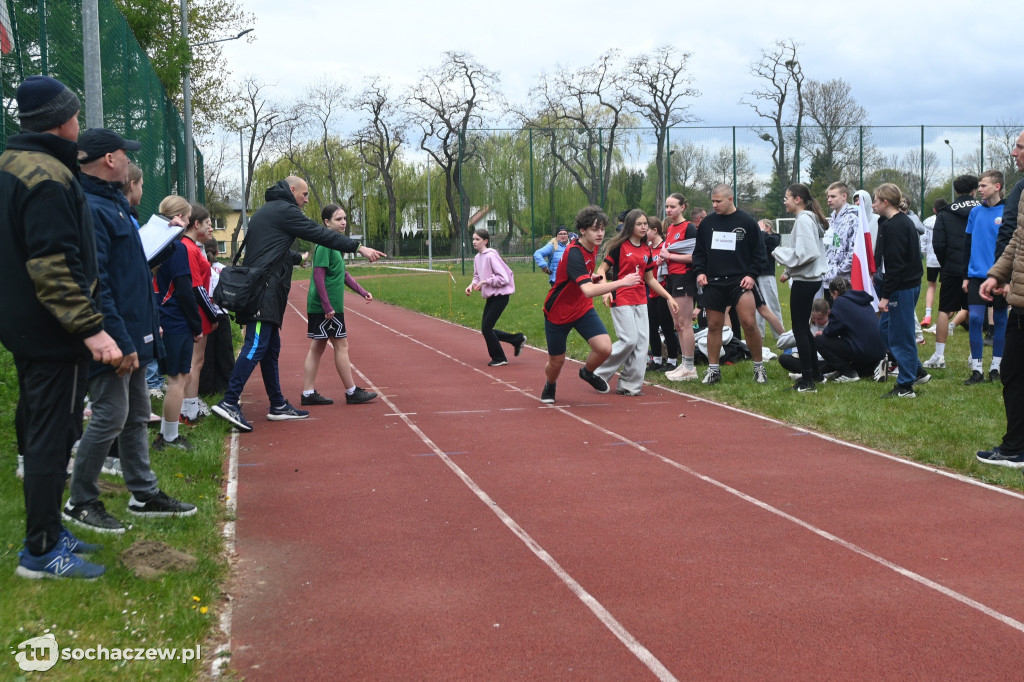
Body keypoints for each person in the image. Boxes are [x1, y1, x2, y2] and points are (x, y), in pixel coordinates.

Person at [0, 76, 122, 579]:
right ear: (62, 121)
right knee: (53, 437)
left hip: (24, 326)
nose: (77, 121)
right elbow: (53, 265)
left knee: (41, 430)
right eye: (73, 113)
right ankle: (42, 550)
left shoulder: (11, 163)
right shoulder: (47, 176)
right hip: (53, 333)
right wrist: (92, 329)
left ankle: (49, 529)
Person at [64, 128, 196, 537]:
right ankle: (80, 500)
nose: (129, 161)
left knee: (137, 414)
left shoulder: (115, 204)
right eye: (125, 154)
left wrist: (145, 326)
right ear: (109, 160)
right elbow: (98, 282)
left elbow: (135, 269)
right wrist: (119, 339)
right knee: (110, 415)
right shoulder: (92, 208)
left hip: (134, 331)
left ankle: (143, 493)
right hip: (113, 337)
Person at [212, 176, 386, 433]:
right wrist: (358, 247)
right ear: (292, 190)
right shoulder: (285, 210)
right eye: (304, 194)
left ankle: (277, 404)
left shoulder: (269, 210)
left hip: (267, 289)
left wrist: (296, 257)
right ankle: (229, 402)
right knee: (256, 344)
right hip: (263, 291)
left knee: (270, 349)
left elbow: (271, 248)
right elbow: (319, 233)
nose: (306, 200)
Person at [539, 206, 641, 404]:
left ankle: (587, 372)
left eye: (602, 229)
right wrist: (622, 282)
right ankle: (550, 384)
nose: (600, 233)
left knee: (605, 348)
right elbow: (588, 290)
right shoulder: (574, 253)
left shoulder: (592, 246)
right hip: (558, 312)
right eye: (595, 229)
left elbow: (581, 278)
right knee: (556, 362)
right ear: (583, 230)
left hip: (581, 308)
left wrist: (589, 276)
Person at [301, 204, 380, 404]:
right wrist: (327, 306)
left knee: (318, 347)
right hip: (326, 307)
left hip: (329, 306)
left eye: (344, 218)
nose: (343, 222)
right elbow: (318, 276)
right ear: (327, 223)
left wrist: (362, 291)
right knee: (341, 345)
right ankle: (351, 391)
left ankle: (308, 393)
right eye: (338, 219)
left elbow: (342, 274)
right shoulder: (325, 245)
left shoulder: (335, 245)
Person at [594, 209, 678, 395]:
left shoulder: (647, 249)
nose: (643, 227)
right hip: (621, 297)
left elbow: (650, 279)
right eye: (639, 224)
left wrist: (669, 297)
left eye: (645, 224)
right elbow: (601, 270)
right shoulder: (619, 247)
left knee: (641, 344)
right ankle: (597, 372)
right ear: (630, 226)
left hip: (641, 299)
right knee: (629, 340)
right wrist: (605, 291)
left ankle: (629, 385)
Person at [691, 184, 769, 385]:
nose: (714, 205)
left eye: (718, 201)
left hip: (740, 281)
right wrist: (700, 272)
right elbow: (699, 253)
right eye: (712, 201)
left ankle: (759, 367)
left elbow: (760, 253)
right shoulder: (707, 223)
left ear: (730, 199)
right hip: (714, 282)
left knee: (749, 323)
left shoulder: (747, 222)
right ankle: (713, 370)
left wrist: (752, 275)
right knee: (714, 326)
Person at [975, 193, 1024, 467]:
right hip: (1020, 305)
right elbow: (1017, 239)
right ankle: (1015, 448)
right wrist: (997, 274)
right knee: (1013, 372)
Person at [152, 196, 201, 451]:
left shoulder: (157, 243)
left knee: (180, 376)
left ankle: (166, 433)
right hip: (175, 320)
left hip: (164, 317)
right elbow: (184, 289)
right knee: (177, 379)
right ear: (179, 217)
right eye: (189, 217)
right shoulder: (177, 248)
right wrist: (196, 324)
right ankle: (169, 437)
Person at [872, 183, 929, 398]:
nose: (873, 205)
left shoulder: (897, 226)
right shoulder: (894, 222)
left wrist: (885, 297)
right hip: (906, 284)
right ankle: (915, 370)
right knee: (885, 329)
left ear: (885, 202)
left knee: (902, 336)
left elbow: (895, 266)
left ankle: (905, 386)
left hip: (902, 287)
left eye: (876, 201)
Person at [773, 183, 828, 392]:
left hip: (806, 281)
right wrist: (789, 271)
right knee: (803, 328)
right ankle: (815, 374)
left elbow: (807, 253)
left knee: (799, 329)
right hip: (809, 279)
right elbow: (805, 252)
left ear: (797, 199)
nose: (784, 202)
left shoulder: (804, 220)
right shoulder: (808, 218)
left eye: (787, 198)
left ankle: (807, 382)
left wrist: (777, 252)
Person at [925, 175, 979, 369]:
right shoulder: (982, 210)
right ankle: (974, 357)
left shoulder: (945, 213)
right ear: (974, 191)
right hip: (976, 269)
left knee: (945, 309)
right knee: (974, 310)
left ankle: (939, 356)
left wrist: (946, 264)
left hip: (952, 268)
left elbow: (938, 244)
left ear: (955, 191)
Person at [962, 170, 1008, 385]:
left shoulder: (1008, 211)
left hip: (999, 277)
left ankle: (996, 367)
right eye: (979, 186)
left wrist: (1006, 276)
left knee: (1000, 320)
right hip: (976, 276)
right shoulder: (975, 212)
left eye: (983, 185)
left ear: (997, 187)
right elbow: (967, 245)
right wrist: (965, 275)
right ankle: (977, 369)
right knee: (975, 318)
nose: (979, 189)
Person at [179, 203, 218, 424]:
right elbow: (196, 287)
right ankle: (190, 410)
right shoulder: (190, 248)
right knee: (195, 361)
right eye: (208, 224)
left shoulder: (191, 247)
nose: (210, 228)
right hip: (198, 311)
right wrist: (212, 315)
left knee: (196, 361)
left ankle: (189, 406)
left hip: (199, 310)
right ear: (196, 224)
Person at [465, 227, 526, 367]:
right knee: (486, 329)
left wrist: (486, 282)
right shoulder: (477, 258)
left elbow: (504, 278)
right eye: (473, 239)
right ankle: (517, 339)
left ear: (485, 241)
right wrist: (471, 285)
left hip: (501, 296)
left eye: (477, 239)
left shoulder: (491, 256)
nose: (474, 242)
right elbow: (477, 276)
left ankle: (499, 357)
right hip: (491, 296)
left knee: (487, 328)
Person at [814, 277, 887, 382]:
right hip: (880, 350)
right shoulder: (863, 300)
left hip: (863, 349)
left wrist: (823, 333)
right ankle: (875, 366)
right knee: (860, 366)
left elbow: (831, 331)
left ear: (835, 293)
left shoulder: (840, 302)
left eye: (831, 296)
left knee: (819, 340)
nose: (832, 299)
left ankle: (848, 373)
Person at [660, 193, 698, 379]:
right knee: (677, 324)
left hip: (684, 277)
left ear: (683, 207)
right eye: (667, 206)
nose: (669, 210)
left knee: (684, 323)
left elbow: (695, 256)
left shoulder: (689, 228)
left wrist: (670, 256)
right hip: (671, 277)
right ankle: (685, 364)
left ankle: (690, 367)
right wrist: (663, 259)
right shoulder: (669, 228)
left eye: (673, 206)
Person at [198, 239, 234, 395]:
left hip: (206, 314)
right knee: (225, 353)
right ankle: (225, 387)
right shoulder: (224, 270)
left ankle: (205, 389)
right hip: (221, 314)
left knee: (206, 354)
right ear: (218, 252)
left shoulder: (201, 266)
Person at [644, 216, 680, 371]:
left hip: (664, 292)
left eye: (646, 229)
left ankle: (672, 361)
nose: (643, 232)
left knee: (667, 327)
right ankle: (657, 359)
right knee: (652, 328)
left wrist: (663, 262)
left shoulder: (665, 247)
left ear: (654, 230)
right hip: (651, 293)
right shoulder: (647, 248)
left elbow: (673, 266)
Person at [823, 182, 859, 302]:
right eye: (828, 196)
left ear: (844, 196)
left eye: (833, 196)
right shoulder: (832, 220)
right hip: (828, 279)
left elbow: (853, 252)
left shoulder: (853, 219)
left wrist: (838, 271)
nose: (829, 200)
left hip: (843, 282)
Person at [755, 219, 785, 341]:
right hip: (754, 275)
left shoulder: (774, 237)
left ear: (767, 228)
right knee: (757, 306)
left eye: (759, 227)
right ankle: (759, 334)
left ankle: (779, 334)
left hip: (767, 275)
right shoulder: (757, 237)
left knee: (772, 304)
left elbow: (772, 242)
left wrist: (762, 232)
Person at [920, 198, 947, 327]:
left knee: (931, 286)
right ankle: (942, 315)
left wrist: (927, 255)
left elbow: (923, 242)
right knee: (944, 287)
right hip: (945, 259)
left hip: (932, 259)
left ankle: (928, 315)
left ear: (934, 210)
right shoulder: (948, 220)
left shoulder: (927, 222)